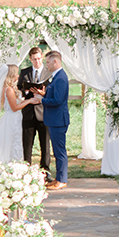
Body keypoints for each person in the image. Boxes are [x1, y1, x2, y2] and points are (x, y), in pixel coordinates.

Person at [0, 64, 38, 165]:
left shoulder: (8, 88)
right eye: (16, 74)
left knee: (14, 141)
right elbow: (14, 108)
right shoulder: (9, 89)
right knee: (12, 142)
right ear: (11, 75)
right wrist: (29, 101)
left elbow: (16, 103)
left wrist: (27, 99)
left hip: (14, 118)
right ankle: (13, 163)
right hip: (12, 119)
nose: (18, 76)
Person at [33, 51, 70, 190]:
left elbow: (58, 100)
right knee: (57, 150)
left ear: (55, 62)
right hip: (55, 119)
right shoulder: (57, 76)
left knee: (60, 152)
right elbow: (54, 95)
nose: (46, 65)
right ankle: (58, 178)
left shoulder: (60, 78)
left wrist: (42, 100)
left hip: (58, 120)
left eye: (48, 62)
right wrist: (44, 93)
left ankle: (62, 180)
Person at [18, 48, 50, 172]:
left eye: (39, 58)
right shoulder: (24, 72)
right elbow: (18, 89)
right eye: (34, 59)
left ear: (42, 57)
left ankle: (45, 171)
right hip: (28, 113)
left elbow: (52, 91)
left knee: (45, 145)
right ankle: (26, 170)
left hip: (44, 113)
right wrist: (25, 91)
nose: (37, 61)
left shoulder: (49, 72)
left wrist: (43, 93)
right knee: (27, 145)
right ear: (30, 59)